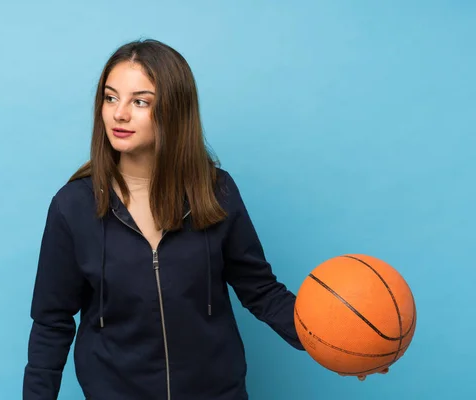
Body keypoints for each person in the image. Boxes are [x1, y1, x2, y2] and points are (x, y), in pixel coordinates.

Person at [22, 38, 306, 400]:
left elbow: (263, 291)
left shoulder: (215, 191)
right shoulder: (74, 206)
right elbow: (51, 323)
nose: (119, 113)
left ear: (174, 110)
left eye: (140, 102)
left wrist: (339, 344)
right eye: (111, 98)